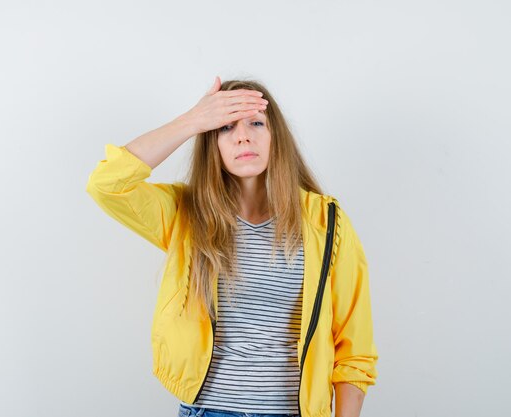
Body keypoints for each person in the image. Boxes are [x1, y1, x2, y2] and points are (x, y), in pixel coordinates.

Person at [85, 76, 378, 417]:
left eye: (256, 123)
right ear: (213, 143)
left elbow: (354, 349)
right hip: (209, 411)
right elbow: (106, 185)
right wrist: (193, 121)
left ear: (276, 138)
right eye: (226, 127)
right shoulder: (187, 214)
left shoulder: (326, 221)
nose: (243, 135)